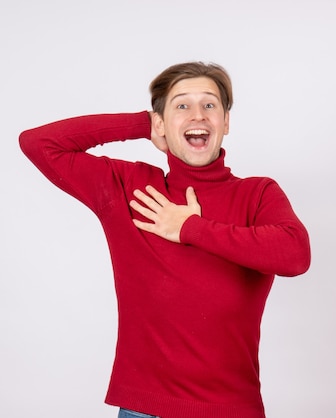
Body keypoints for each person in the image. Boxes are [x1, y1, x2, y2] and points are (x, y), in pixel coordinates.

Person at [19, 62, 311, 418]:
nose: (197, 115)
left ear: (226, 122)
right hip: (143, 409)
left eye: (209, 105)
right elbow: (37, 143)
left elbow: (294, 254)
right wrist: (142, 124)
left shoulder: (257, 194)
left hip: (230, 410)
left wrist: (190, 228)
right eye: (181, 106)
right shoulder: (130, 188)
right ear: (162, 123)